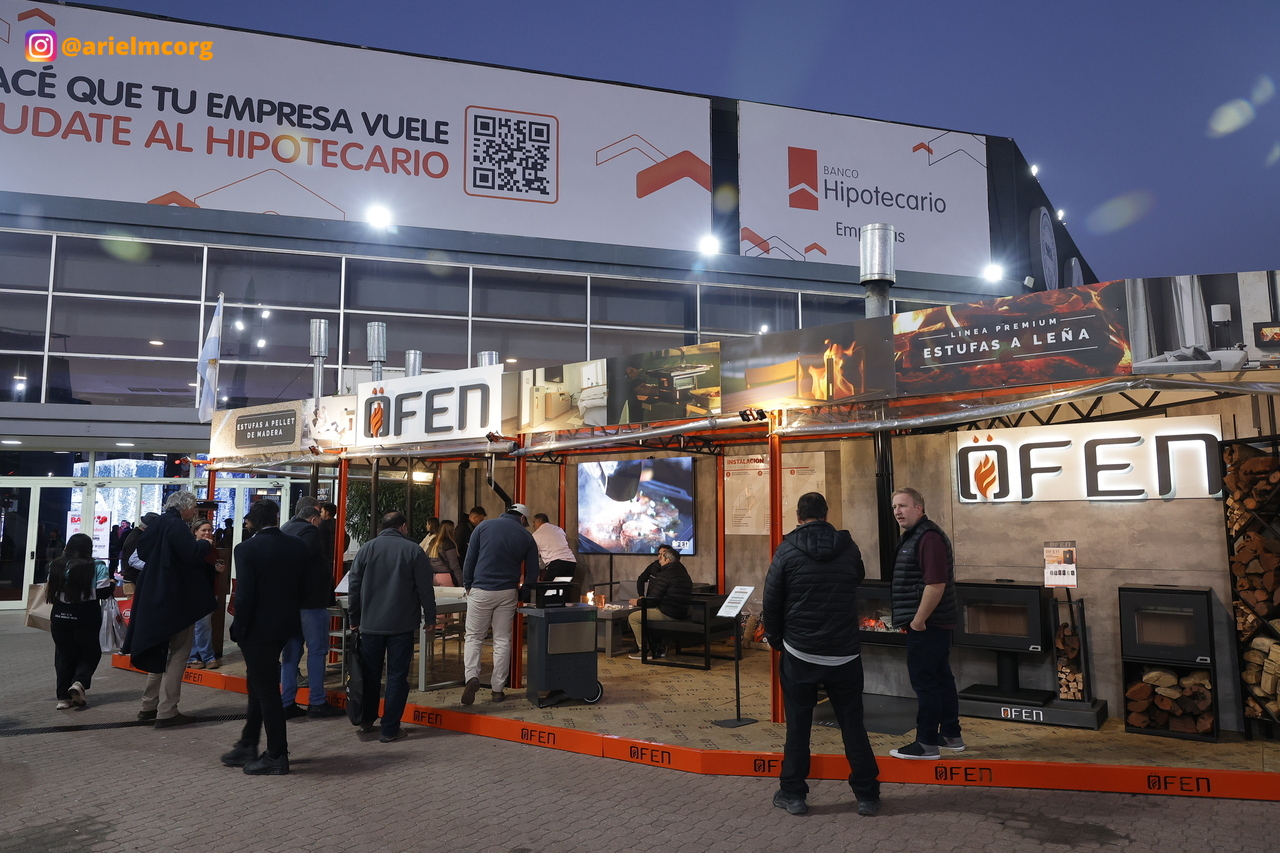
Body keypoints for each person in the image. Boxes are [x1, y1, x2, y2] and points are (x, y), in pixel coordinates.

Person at [762, 491, 880, 817]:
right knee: (853, 725)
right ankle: (867, 795)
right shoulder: (849, 548)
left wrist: (777, 640)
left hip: (800, 652)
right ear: (826, 515)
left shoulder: (786, 550)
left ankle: (793, 794)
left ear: (798, 517)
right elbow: (857, 577)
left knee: (798, 726)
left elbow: (771, 601)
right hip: (844, 654)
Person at [220, 500, 310, 776]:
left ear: (252, 521)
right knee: (259, 684)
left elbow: (245, 594)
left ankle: (276, 754)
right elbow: (303, 586)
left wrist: (239, 627)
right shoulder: (297, 545)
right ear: (276, 517)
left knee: (266, 690)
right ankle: (248, 742)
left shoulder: (246, 549)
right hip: (286, 625)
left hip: (258, 629)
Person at [122, 491, 214, 728]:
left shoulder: (157, 524)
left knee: (158, 651)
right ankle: (167, 711)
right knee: (180, 653)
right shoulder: (176, 525)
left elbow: (142, 553)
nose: (195, 511)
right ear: (185, 507)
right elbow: (192, 554)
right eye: (194, 507)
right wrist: (204, 545)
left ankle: (148, 707)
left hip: (152, 596)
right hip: (175, 600)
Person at [887, 486, 963, 761]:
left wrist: (918, 621)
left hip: (928, 625)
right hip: (932, 624)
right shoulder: (915, 535)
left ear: (919, 508)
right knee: (941, 679)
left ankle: (927, 743)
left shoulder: (928, 537)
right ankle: (951, 735)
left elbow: (936, 584)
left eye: (903, 506)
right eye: (895, 507)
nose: (897, 511)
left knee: (926, 684)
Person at [347, 512, 436, 743]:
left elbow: (354, 586)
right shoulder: (414, 550)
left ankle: (367, 720)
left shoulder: (366, 549)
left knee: (370, 674)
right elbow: (425, 588)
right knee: (397, 677)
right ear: (403, 527)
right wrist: (430, 617)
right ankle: (390, 729)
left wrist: (354, 617)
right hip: (402, 625)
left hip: (370, 625)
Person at [460, 503, 539, 704]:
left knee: (474, 637)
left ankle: (472, 677)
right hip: (507, 592)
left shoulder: (483, 526)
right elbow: (533, 573)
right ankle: (497, 689)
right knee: (502, 640)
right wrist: (522, 593)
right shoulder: (527, 536)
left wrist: (468, 584)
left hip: (481, 589)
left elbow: (470, 559)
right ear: (523, 518)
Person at [279, 505, 344, 718]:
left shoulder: (285, 528)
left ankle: (286, 702)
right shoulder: (310, 531)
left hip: (290, 602)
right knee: (317, 651)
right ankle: (317, 701)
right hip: (311, 602)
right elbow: (303, 557)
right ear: (314, 519)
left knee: (291, 653)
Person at [46, 533, 113, 710]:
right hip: (86, 615)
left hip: (59, 616)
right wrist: (112, 584)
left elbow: (50, 588)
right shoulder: (96, 566)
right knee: (90, 651)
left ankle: (63, 698)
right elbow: (103, 591)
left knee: (64, 654)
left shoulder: (55, 565)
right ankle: (79, 682)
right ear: (88, 549)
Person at [627, 545, 692, 660]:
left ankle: (644, 650)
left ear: (668, 560)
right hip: (682, 611)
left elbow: (653, 599)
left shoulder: (665, 574)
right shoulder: (682, 572)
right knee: (646, 613)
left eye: (662, 557)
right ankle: (657, 647)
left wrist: (638, 602)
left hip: (668, 612)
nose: (659, 559)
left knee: (633, 617)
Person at [187, 519, 226, 670]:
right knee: (200, 626)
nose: (207, 533)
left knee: (202, 625)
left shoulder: (213, 549)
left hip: (210, 590)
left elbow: (213, 566)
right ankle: (204, 657)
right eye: (204, 530)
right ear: (195, 532)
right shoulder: (191, 548)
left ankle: (197, 656)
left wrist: (218, 569)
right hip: (194, 592)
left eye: (209, 530)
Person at [531, 513, 582, 600]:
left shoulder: (536, 535)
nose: (533, 525)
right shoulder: (559, 529)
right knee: (563, 592)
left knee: (548, 593)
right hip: (571, 562)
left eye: (534, 522)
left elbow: (535, 556)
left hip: (557, 564)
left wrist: (536, 574)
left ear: (539, 521)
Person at [121, 512, 159, 596]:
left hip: (134, 579)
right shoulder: (136, 539)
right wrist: (153, 566)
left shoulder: (136, 536)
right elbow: (133, 561)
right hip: (133, 580)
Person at [427, 519, 462, 587]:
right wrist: (461, 582)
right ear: (450, 531)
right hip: (446, 577)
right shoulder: (449, 544)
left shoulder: (433, 542)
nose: (454, 531)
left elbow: (426, 557)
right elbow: (454, 566)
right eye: (453, 529)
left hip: (432, 577)